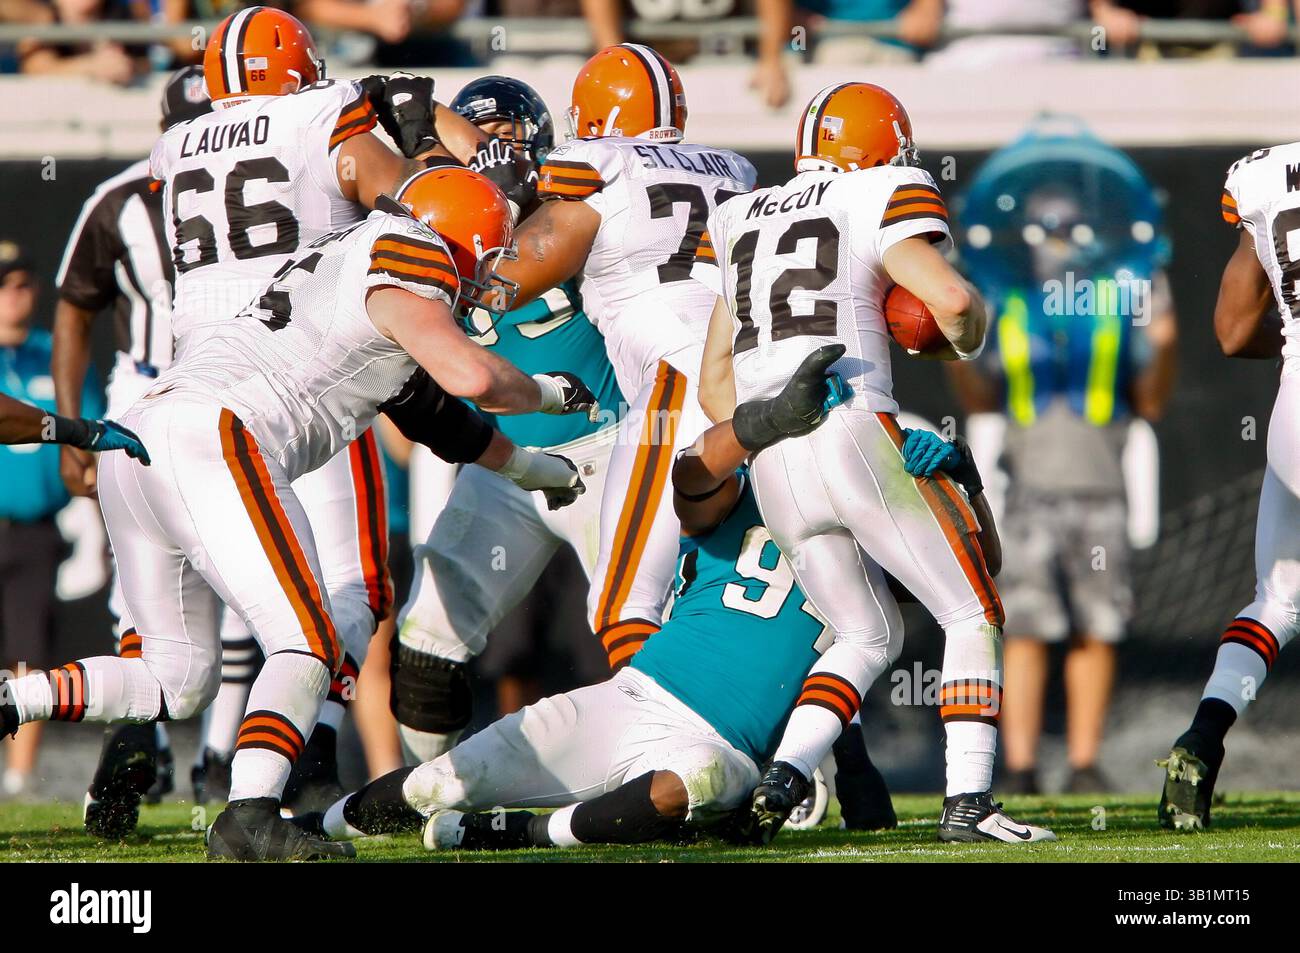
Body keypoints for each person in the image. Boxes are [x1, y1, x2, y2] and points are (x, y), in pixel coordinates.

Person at [0, 166, 592, 861]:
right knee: (309, 635)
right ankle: (248, 813)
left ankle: (16, 699)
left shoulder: (353, 270)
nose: (488, 277)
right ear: (451, 239)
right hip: (217, 436)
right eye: (485, 256)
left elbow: (443, 420)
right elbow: (473, 378)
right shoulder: (409, 253)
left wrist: (541, 471)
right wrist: (551, 393)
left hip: (139, 442)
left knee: (175, 678)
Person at [292, 351, 969, 851]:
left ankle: (524, 834)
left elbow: (966, 578)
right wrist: (764, 425)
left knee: (697, 778)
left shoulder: (883, 506)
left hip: (725, 744)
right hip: (635, 695)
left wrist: (963, 483)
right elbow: (692, 477)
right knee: (433, 784)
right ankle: (310, 824)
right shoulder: (743, 478)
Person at [696, 81, 1054, 843]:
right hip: (853, 430)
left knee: (863, 634)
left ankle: (782, 780)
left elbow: (714, 385)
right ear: (873, 152)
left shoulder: (735, 219)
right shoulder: (877, 192)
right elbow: (951, 302)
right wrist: (969, 336)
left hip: (769, 452)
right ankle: (970, 801)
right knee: (971, 608)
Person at [492, 44, 757, 675]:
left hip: (679, 390)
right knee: (784, 589)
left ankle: (656, 753)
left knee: (623, 604)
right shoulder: (735, 171)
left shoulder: (597, 164)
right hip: (757, 377)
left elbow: (507, 282)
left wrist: (490, 227)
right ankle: (839, 762)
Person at [390, 75, 626, 762]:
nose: (492, 158)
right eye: (480, 143)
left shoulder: (581, 207)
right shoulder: (431, 228)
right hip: (503, 467)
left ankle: (687, 773)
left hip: (610, 452)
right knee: (427, 643)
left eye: (507, 144)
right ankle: (438, 792)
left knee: (645, 626)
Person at [946, 122, 1177, 795]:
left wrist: (1163, 343)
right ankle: (1018, 763)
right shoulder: (1009, 301)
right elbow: (984, 395)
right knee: (1023, 628)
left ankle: (1082, 762)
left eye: (1066, 227)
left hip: (1100, 488)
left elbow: (1153, 399)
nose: (1055, 241)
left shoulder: (1115, 299)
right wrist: (959, 349)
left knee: (1097, 626)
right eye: (1044, 228)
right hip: (1029, 490)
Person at [53, 63, 212, 827]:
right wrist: (69, 426)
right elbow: (75, 308)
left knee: (231, 581)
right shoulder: (120, 201)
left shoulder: (280, 179)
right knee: (146, 578)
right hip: (146, 396)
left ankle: (211, 754)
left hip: (233, 398)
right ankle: (140, 732)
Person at [1158, 140, 1297, 830]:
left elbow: (1233, 329)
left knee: (1277, 599)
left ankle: (1201, 741)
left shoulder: (1266, 175)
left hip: (1292, 412)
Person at [0, 242, 147, 798]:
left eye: (23, 282)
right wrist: (73, 431)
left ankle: (15, 779)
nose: (19, 295)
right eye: (5, 284)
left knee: (27, 652)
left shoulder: (46, 354)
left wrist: (77, 436)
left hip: (33, 530)